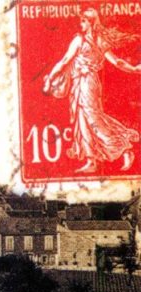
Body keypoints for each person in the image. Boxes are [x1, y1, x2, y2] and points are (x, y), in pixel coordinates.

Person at [43, 9, 141, 173]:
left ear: (90, 22)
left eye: (83, 21)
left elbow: (65, 61)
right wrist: (134, 69)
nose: (81, 24)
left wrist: (51, 79)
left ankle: (123, 148)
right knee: (83, 119)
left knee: (92, 117)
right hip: (81, 82)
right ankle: (91, 161)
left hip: (87, 82)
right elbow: (117, 62)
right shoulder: (96, 40)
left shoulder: (83, 40)